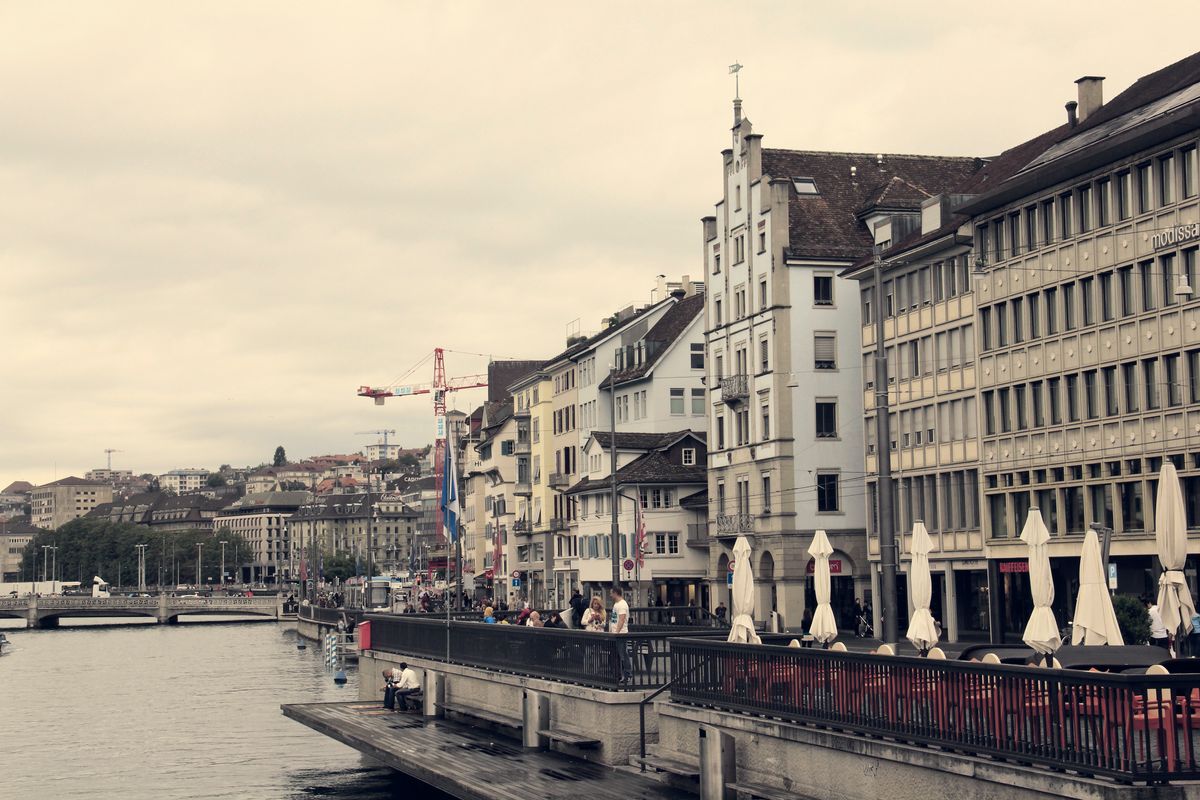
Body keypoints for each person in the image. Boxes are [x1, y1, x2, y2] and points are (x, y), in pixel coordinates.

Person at [609, 586, 632, 683]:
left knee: (623, 654)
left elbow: (622, 620)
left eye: (611, 593)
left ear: (615, 593)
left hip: (621, 633)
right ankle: (619, 674)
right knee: (617, 655)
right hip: (616, 632)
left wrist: (617, 632)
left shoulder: (622, 605)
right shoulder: (616, 604)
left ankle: (627, 674)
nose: (610, 595)